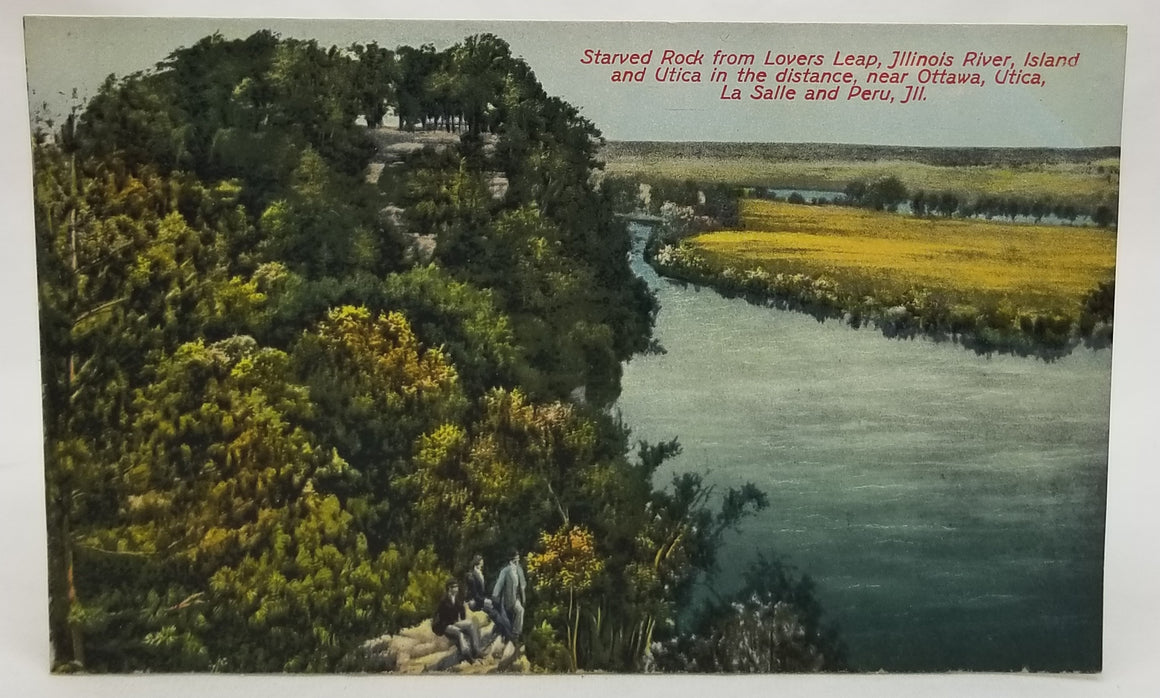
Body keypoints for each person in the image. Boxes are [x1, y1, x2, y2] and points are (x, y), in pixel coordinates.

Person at [465, 554, 514, 647]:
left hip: (482, 599)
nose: (483, 562)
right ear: (477, 562)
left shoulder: (480, 573)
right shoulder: (471, 576)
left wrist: (489, 599)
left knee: (500, 605)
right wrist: (485, 601)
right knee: (494, 613)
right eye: (481, 560)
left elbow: (483, 591)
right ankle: (507, 635)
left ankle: (504, 631)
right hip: (475, 603)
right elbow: (475, 595)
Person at [432, 579, 483, 662]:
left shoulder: (457, 598)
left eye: (457, 587)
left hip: (453, 623)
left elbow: (462, 610)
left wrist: (462, 621)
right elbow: (440, 618)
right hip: (444, 626)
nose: (456, 589)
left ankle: (476, 650)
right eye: (454, 587)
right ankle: (466, 654)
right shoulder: (444, 601)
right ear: (449, 588)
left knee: (470, 624)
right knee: (459, 633)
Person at [491, 549, 527, 640]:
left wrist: (523, 596)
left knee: (518, 611)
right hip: (509, 598)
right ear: (511, 560)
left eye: (518, 559)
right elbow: (499, 584)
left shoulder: (519, 569)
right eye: (516, 559)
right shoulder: (505, 571)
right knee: (515, 613)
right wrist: (495, 595)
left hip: (518, 597)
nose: (517, 561)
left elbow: (522, 583)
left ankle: (515, 633)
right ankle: (513, 633)